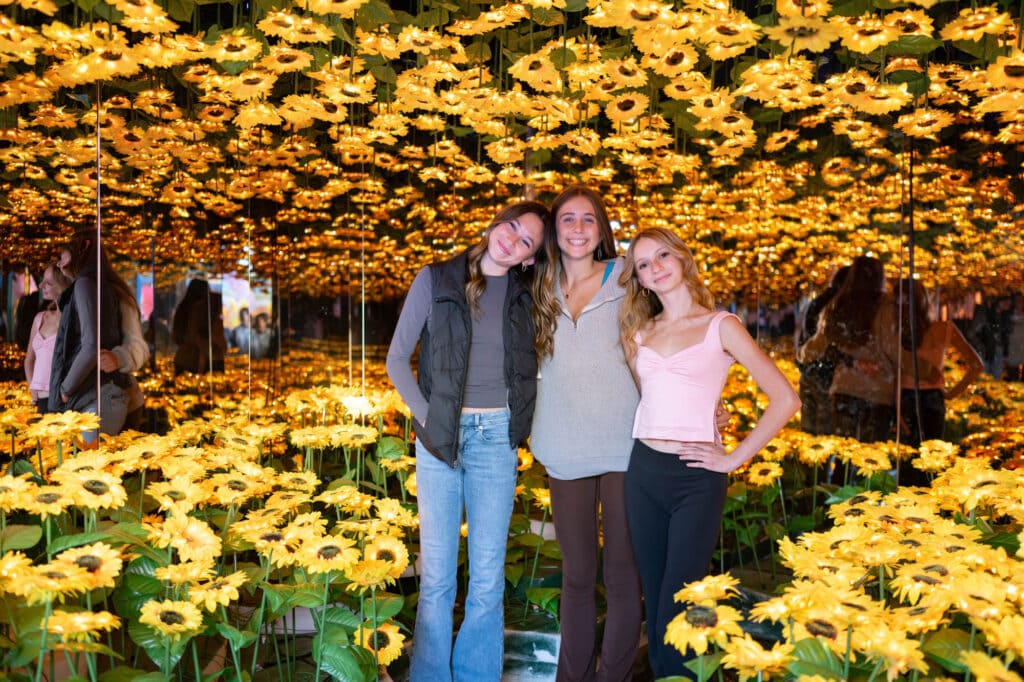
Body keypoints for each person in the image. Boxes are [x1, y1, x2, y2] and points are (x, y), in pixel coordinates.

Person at [385, 200, 556, 682]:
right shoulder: (436, 278)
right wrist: (432, 420)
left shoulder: (528, 295)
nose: (513, 239)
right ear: (495, 223)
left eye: (527, 241)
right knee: (437, 577)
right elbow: (397, 360)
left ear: (528, 258)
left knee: (486, 579)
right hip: (438, 441)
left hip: (495, 440)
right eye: (512, 226)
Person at [618, 227, 800, 679]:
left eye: (662, 255)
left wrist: (734, 458)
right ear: (639, 279)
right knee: (655, 599)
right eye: (643, 264)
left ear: (682, 259)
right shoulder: (639, 332)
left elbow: (786, 399)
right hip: (642, 471)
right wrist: (708, 411)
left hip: (695, 476)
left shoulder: (722, 325)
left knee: (680, 602)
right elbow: (655, 398)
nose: (655, 267)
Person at [529, 186, 643, 682]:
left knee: (621, 576)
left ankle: (612, 677)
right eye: (568, 219)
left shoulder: (627, 275)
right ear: (555, 230)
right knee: (576, 577)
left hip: (626, 443)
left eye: (588, 220)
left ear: (602, 229)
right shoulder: (536, 282)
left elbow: (669, 333)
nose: (578, 229)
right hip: (562, 442)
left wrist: (706, 402)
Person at [797, 256, 898, 443]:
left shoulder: (837, 306)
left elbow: (814, 348)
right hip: (878, 391)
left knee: (843, 456)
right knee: (870, 459)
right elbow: (893, 350)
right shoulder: (887, 307)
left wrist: (802, 354)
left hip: (844, 389)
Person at [49, 234, 133, 438]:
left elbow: (89, 347)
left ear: (84, 246)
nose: (59, 262)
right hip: (105, 396)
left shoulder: (85, 283)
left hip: (94, 399)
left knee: (85, 467)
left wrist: (65, 389)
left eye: (63, 254)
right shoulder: (100, 285)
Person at [897, 278, 983, 448]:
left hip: (905, 398)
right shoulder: (944, 329)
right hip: (933, 399)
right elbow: (976, 365)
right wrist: (950, 393)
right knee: (930, 461)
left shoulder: (896, 330)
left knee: (908, 460)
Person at [796, 266, 849, 436]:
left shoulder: (818, 301)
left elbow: (803, 336)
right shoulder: (838, 305)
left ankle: (811, 462)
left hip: (810, 372)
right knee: (825, 435)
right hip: (827, 376)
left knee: (809, 432)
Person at [24, 264, 72, 413]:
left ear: (63, 286)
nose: (40, 285)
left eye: (48, 283)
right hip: (39, 399)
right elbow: (29, 359)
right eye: (42, 281)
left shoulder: (70, 320)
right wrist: (32, 388)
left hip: (60, 398)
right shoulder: (40, 318)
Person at [172, 279, 227, 375]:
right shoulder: (204, 310)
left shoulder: (183, 309)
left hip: (184, 359)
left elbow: (176, 336)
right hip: (203, 361)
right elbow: (212, 339)